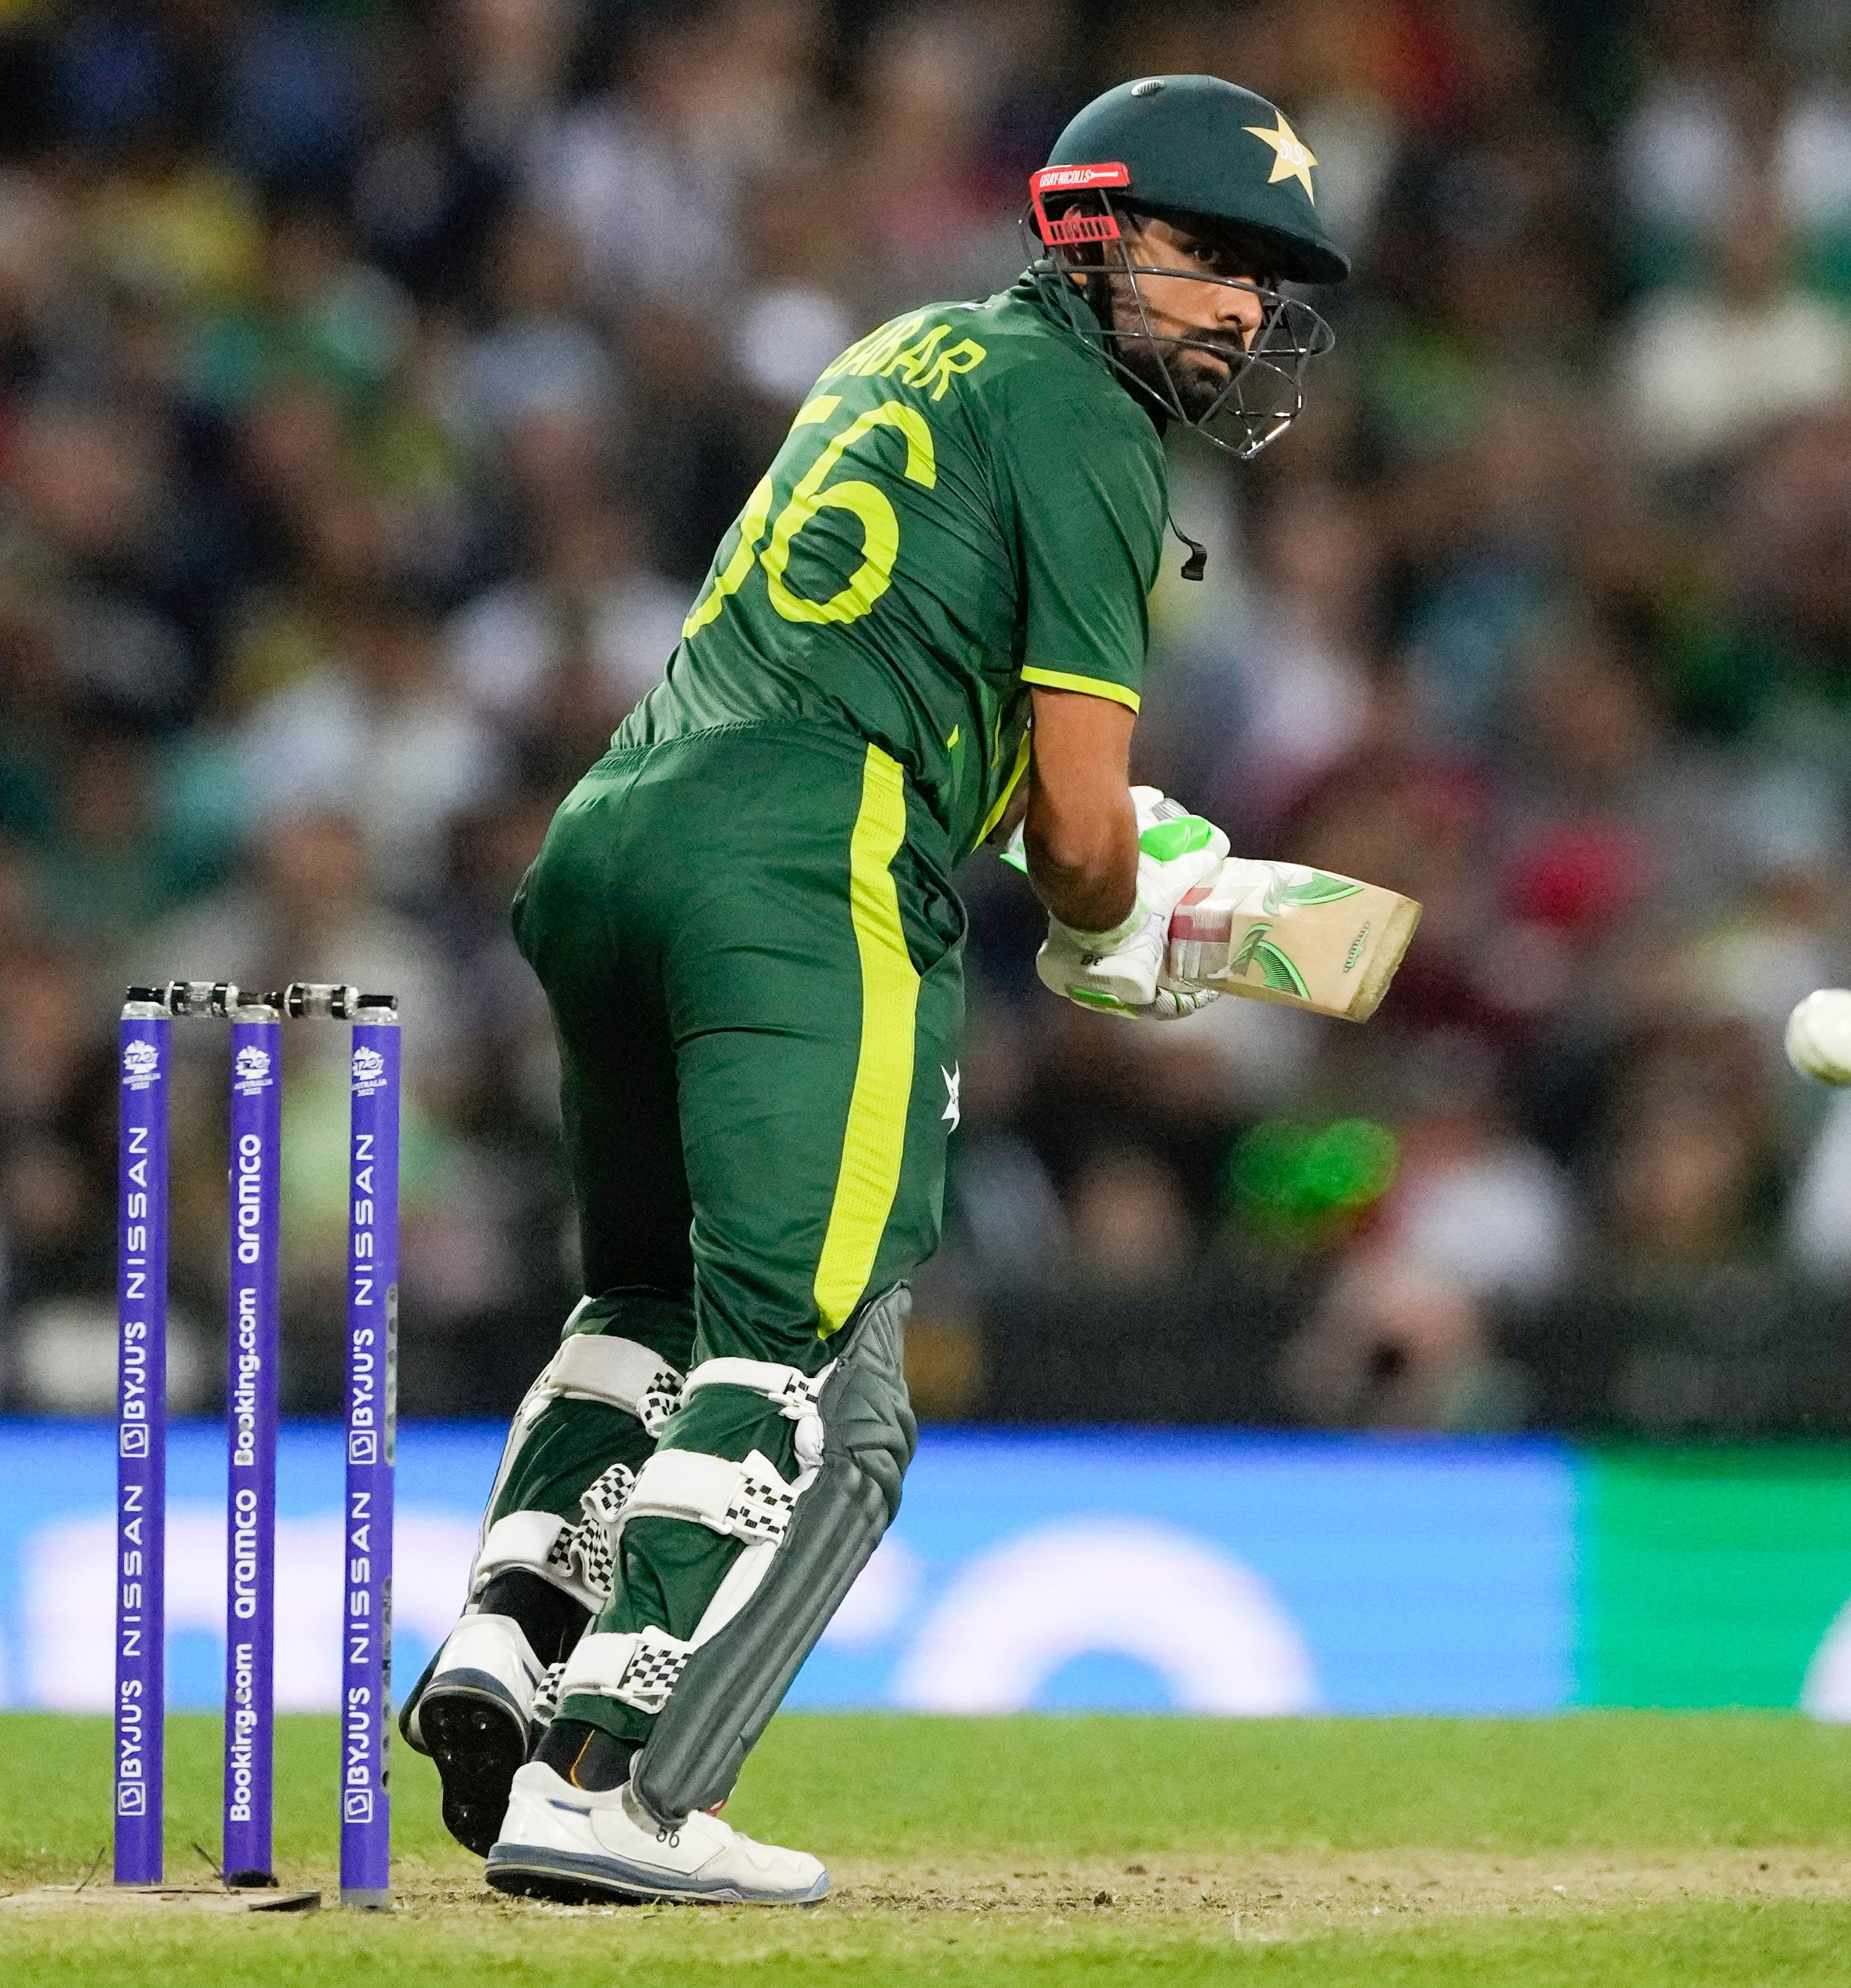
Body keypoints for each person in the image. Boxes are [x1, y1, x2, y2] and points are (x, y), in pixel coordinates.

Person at [400, 74, 1348, 1903]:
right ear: (1088, 228)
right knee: (786, 1332)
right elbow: (1074, 834)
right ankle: (610, 1779)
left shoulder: (910, 350)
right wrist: (1118, 910)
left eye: (1266, 280)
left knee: (639, 1298)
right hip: (804, 864)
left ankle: (505, 1645)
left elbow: (909, 668)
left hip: (617, 828)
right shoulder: (1092, 420)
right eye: (1210, 256)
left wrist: (1070, 837)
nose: (1240, 308)